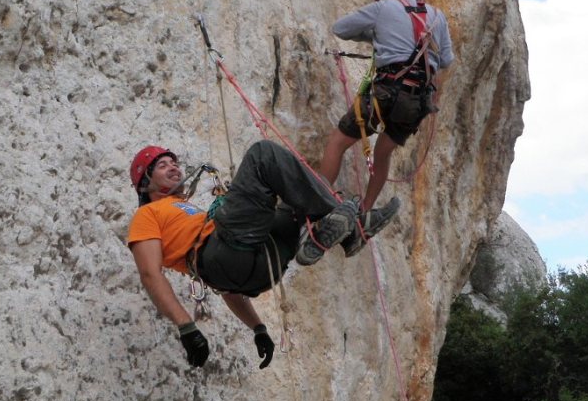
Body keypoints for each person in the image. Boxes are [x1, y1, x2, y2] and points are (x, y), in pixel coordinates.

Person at [126, 140, 400, 369]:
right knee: (262, 155)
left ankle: (318, 236)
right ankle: (350, 233)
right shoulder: (146, 215)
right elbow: (150, 274)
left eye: (174, 162)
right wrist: (186, 326)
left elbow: (227, 287)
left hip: (252, 264)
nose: (173, 167)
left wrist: (258, 328)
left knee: (296, 198)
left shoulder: (185, 210)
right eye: (162, 165)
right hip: (223, 254)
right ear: (146, 182)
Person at [320, 0, 454, 211]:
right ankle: (365, 210)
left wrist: (377, 34)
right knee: (382, 154)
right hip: (417, 101)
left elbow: (340, 28)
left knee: (338, 142)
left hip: (387, 90)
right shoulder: (437, 16)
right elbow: (445, 60)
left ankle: (316, 199)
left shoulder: (385, 7)